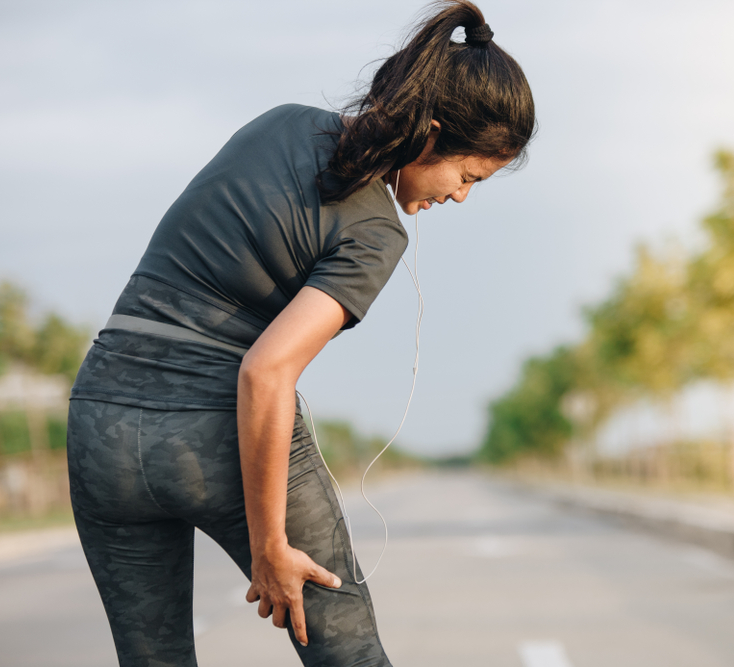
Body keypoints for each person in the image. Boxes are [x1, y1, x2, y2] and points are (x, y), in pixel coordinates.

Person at [65, 1, 535, 665]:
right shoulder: (376, 232)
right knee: (350, 654)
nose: (459, 197)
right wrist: (269, 546)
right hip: (211, 428)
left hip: (99, 423)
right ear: (430, 135)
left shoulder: (280, 123)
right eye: (467, 176)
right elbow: (264, 371)